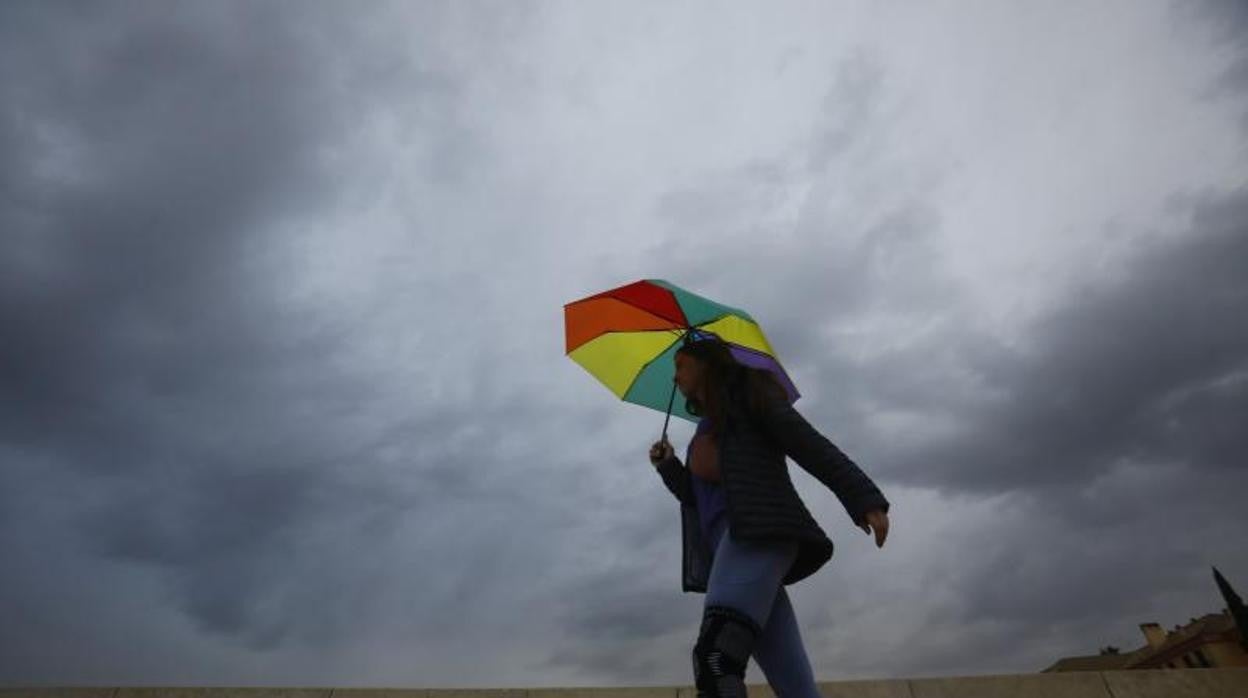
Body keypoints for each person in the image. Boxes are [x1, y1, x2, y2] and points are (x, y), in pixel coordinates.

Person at [648, 335, 890, 698]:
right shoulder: (705, 429)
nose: (675, 377)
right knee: (796, 688)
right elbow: (699, 499)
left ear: (706, 363)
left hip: (759, 534)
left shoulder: (749, 393)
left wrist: (862, 497)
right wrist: (667, 465)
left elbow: (806, 441)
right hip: (731, 552)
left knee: (716, 659)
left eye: (680, 365)